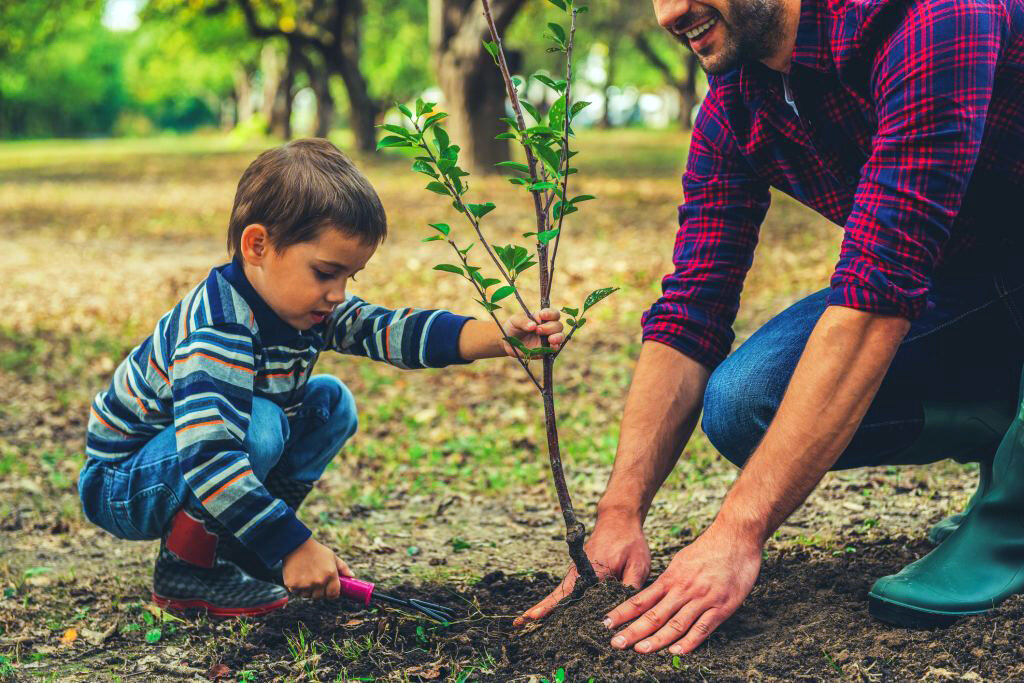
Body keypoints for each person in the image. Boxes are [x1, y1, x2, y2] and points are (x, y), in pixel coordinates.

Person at [520, 0, 1024, 655]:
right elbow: (691, 308)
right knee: (745, 399)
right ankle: (1004, 427)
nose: (669, 12)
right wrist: (620, 512)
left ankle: (1012, 514)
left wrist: (738, 531)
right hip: (978, 278)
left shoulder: (933, 17)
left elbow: (878, 294)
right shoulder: (740, 102)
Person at [78, 138, 564, 617]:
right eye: (325, 272)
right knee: (261, 424)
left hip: (186, 462)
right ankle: (188, 570)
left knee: (330, 402)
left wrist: (497, 337)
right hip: (124, 481)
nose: (338, 294)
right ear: (258, 245)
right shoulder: (218, 329)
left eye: (349, 277)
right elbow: (209, 458)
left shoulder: (305, 307)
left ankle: (245, 549)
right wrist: (293, 546)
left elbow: (387, 329)